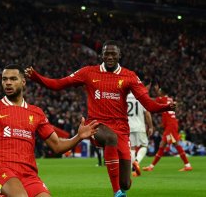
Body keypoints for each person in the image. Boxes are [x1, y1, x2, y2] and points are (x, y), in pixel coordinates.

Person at [25, 40, 176, 197]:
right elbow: (58, 84)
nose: (110, 56)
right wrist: (37, 77)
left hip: (122, 130)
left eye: (113, 54)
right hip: (96, 125)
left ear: (119, 55)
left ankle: (121, 187)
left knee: (126, 183)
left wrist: (166, 107)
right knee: (110, 138)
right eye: (106, 53)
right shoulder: (88, 73)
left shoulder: (129, 76)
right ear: (101, 55)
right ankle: (116, 191)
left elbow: (148, 105)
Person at [0, 65, 99, 197]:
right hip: (1, 169)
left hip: (29, 174)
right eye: (4, 79)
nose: (8, 83)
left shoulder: (36, 112)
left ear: (23, 82)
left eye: (13, 79)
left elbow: (57, 146)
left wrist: (79, 136)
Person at [143, 85, 192, 172]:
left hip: (171, 126)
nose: (158, 91)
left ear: (163, 92)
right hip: (171, 124)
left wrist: (143, 94)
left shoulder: (162, 99)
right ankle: (151, 166)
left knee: (175, 144)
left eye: (160, 90)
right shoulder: (169, 99)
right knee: (162, 145)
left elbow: (150, 101)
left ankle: (187, 165)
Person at [126, 92, 153, 177]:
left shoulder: (125, 97)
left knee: (132, 148)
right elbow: (147, 113)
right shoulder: (141, 96)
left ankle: (133, 170)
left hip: (129, 126)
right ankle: (136, 161)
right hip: (140, 126)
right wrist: (150, 126)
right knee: (144, 146)